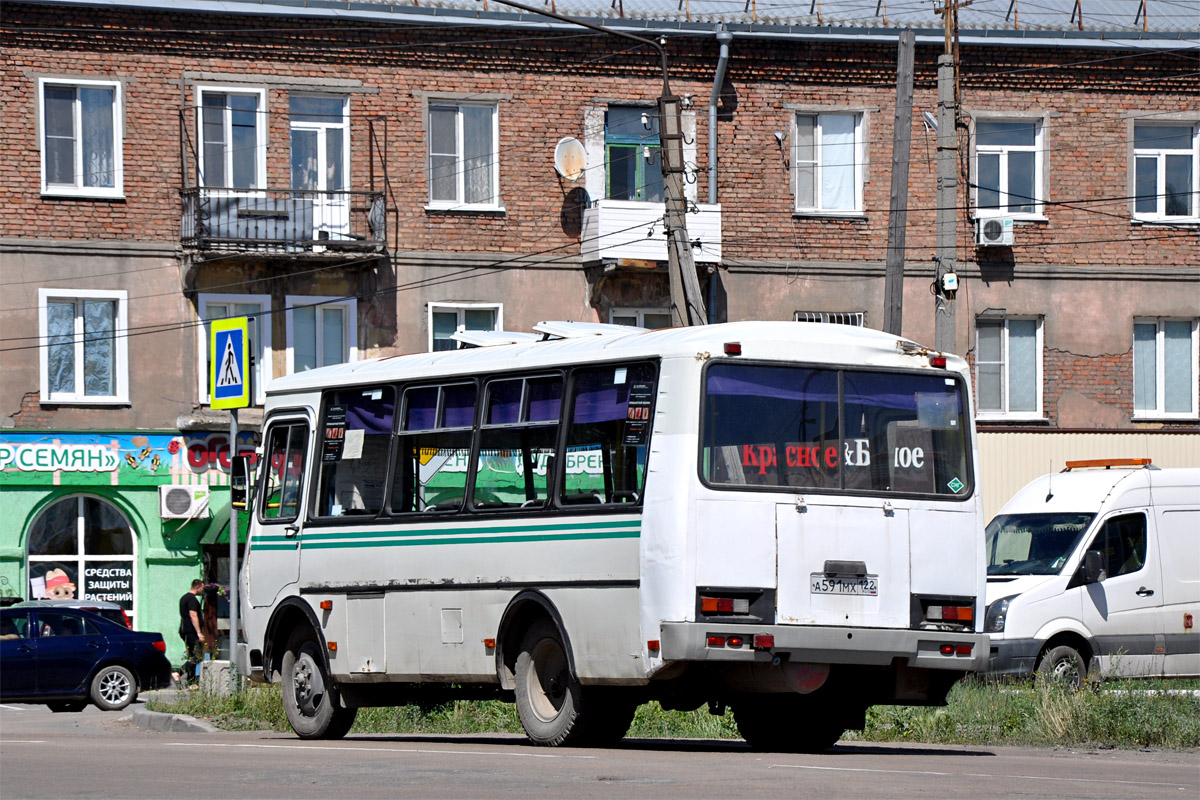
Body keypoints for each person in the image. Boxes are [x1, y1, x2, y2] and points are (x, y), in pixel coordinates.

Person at [178, 579, 205, 686]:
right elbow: (193, 615)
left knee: (193, 656)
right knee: (197, 656)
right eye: (202, 588)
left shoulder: (184, 598)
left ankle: (191, 681)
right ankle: (179, 672)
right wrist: (199, 632)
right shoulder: (192, 600)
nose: (203, 590)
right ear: (197, 587)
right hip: (191, 631)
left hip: (185, 630)